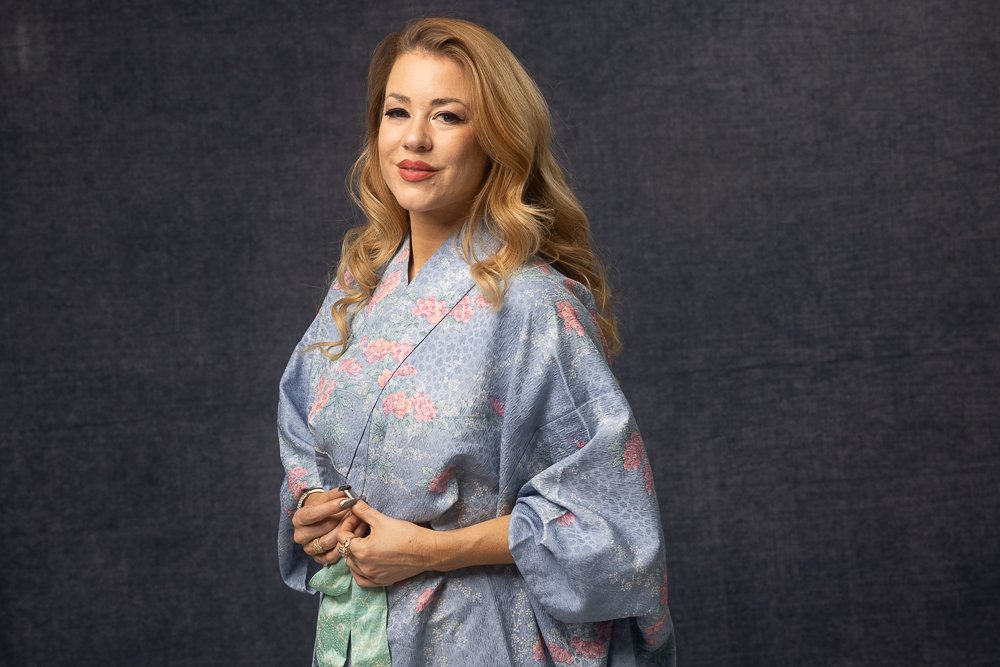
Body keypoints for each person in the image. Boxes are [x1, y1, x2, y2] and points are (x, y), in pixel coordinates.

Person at [277, 17, 675, 666]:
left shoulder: (533, 304)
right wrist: (316, 507)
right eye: (397, 111)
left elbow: (610, 521)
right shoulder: (362, 284)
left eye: (448, 116)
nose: (415, 138)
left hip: (481, 636)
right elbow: (303, 425)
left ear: (495, 140)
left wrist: (433, 550)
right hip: (359, 635)